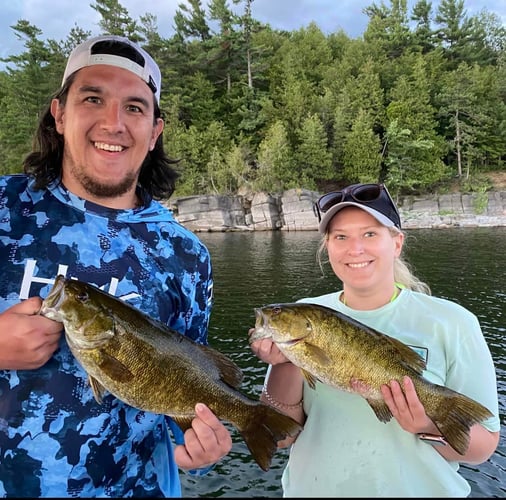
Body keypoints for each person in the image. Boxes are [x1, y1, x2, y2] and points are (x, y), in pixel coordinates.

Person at [0, 35, 233, 497]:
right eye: (93, 98)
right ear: (60, 114)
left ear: (154, 132)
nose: (114, 123)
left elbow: (186, 393)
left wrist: (200, 451)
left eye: (134, 107)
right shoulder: (5, 210)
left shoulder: (186, 256)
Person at [249, 182, 500, 497]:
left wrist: (426, 424)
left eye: (370, 234)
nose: (355, 249)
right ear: (327, 247)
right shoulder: (305, 313)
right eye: (341, 237)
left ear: (396, 243)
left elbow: (483, 447)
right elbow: (278, 436)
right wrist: (284, 362)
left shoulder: (454, 323)